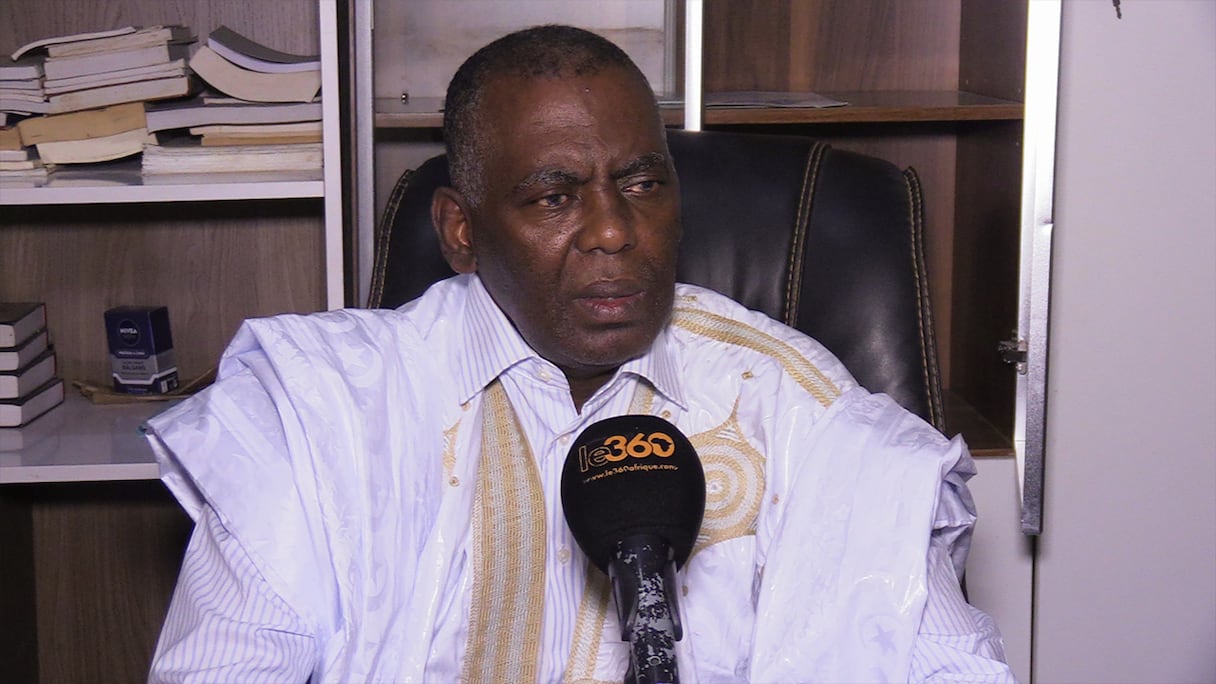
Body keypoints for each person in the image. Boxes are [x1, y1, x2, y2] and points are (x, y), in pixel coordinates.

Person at [146, 24, 1016, 683]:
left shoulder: (797, 405)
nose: (613, 230)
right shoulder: (317, 413)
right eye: (553, 196)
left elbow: (947, 663)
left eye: (642, 184)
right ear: (460, 231)